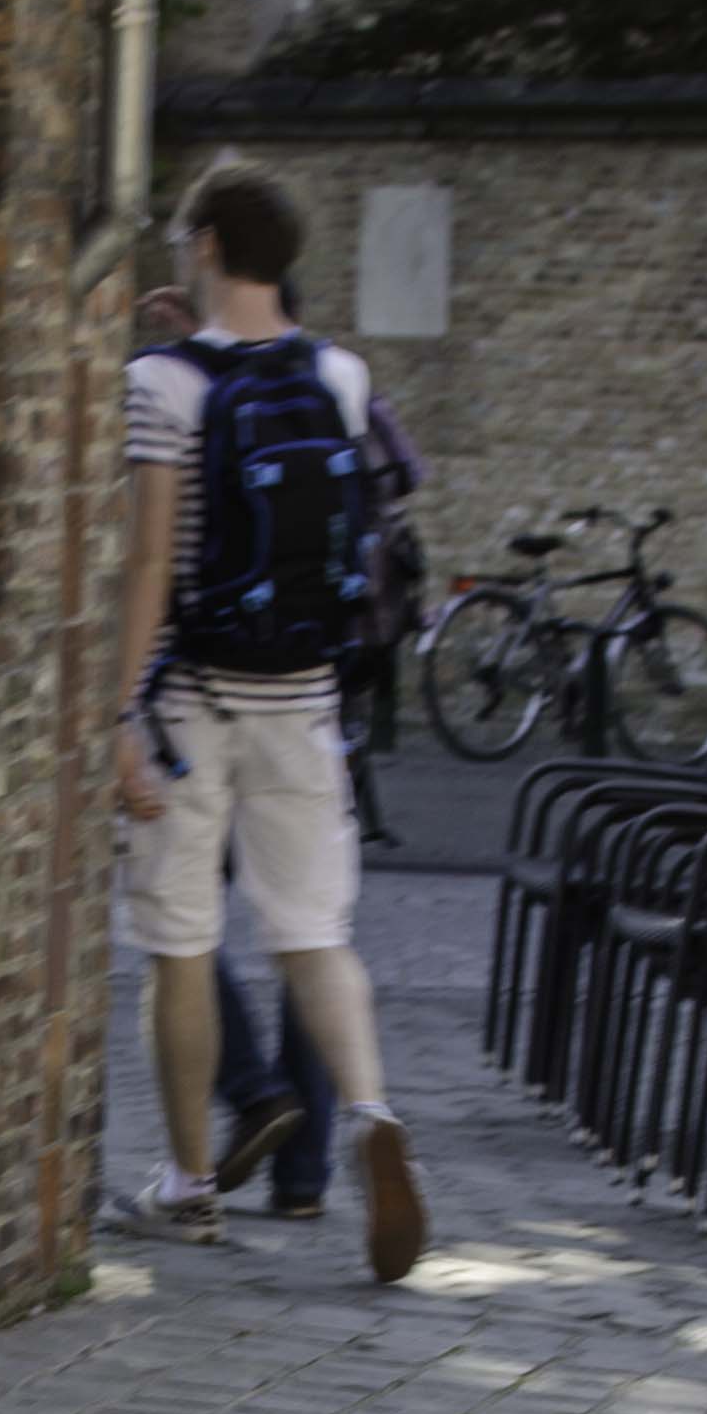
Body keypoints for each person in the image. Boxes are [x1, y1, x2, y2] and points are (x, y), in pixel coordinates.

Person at [110, 172, 428, 1280]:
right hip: (305, 698)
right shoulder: (339, 375)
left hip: (191, 703)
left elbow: (150, 560)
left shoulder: (161, 383)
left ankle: (191, 1187)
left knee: (180, 945)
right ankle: (370, 1113)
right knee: (312, 934)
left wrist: (117, 710)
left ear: (203, 245)